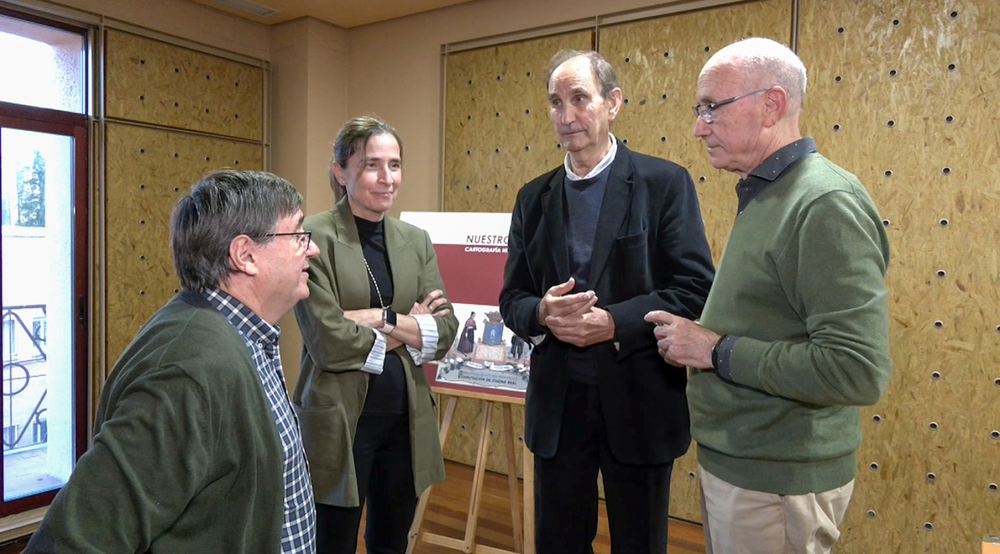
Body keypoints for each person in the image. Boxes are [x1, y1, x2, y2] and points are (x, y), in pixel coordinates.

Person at [645, 38, 892, 554]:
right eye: (699, 109)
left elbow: (856, 369)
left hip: (778, 480)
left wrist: (713, 350)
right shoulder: (768, 193)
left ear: (772, 105)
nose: (698, 125)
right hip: (748, 468)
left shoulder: (823, 203)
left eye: (713, 107)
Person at [24, 170, 318, 553]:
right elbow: (74, 541)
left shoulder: (241, 336)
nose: (311, 249)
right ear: (245, 255)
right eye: (297, 234)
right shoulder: (190, 369)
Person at [499, 50, 715, 554]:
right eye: (556, 102)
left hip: (639, 403)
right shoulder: (534, 198)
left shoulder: (664, 184)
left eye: (580, 99)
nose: (566, 115)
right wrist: (541, 312)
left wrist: (612, 323)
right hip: (558, 409)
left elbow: (693, 288)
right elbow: (512, 298)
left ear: (613, 103)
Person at [293, 116, 459, 554]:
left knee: (391, 541)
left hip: (403, 419)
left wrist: (379, 318)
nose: (387, 178)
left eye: (395, 165)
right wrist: (409, 325)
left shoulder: (415, 240)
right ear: (340, 172)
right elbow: (328, 342)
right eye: (371, 165)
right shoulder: (313, 237)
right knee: (332, 541)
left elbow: (444, 331)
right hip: (339, 419)